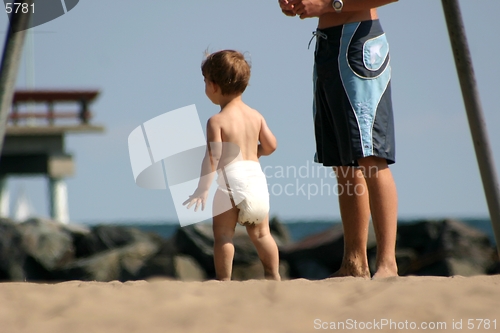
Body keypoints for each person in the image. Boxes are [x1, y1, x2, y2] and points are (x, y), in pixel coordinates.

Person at [278, 0, 399, 278]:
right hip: (327, 44)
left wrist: (327, 4)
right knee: (343, 162)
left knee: (370, 154)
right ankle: (354, 263)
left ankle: (388, 264)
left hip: (359, 40)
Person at [183, 50, 281, 281]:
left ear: (214, 86)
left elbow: (213, 157)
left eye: (205, 82)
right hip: (255, 179)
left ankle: (224, 280)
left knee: (224, 236)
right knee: (262, 234)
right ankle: (273, 274)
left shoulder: (217, 121)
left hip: (230, 179)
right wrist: (254, 152)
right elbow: (271, 146)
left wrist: (202, 189)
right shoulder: (255, 116)